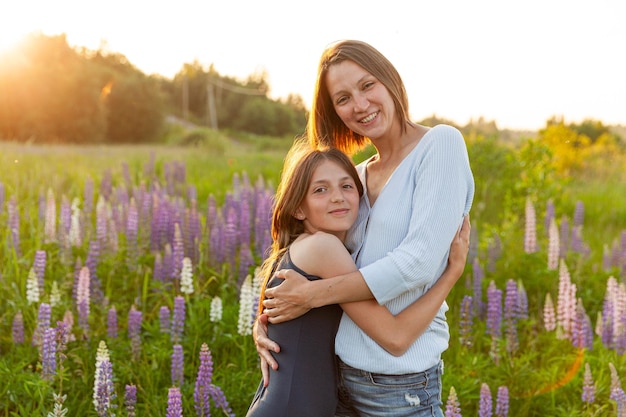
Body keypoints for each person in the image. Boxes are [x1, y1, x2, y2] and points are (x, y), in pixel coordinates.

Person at [256, 40, 475, 416]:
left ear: (390, 81)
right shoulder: (353, 180)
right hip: (336, 382)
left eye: (367, 85)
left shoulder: (440, 145)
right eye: (342, 98)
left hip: (399, 391)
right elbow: (305, 254)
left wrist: (312, 295)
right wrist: (267, 326)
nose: (359, 105)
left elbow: (416, 263)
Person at [246, 142, 470, 417]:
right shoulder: (324, 248)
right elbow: (396, 338)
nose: (338, 197)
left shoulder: (305, 247)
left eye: (347, 186)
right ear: (298, 209)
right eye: (320, 190)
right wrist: (451, 274)